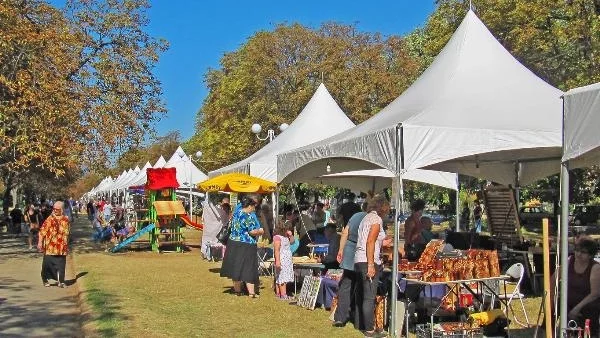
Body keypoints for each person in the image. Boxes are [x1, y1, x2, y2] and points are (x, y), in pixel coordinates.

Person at [353, 194, 390, 337]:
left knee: (361, 294)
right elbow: (370, 242)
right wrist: (370, 265)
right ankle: (369, 329)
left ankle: (360, 324)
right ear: (383, 208)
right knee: (369, 296)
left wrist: (382, 242)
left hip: (358, 259)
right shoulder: (376, 219)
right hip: (368, 259)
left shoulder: (366, 218)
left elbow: (370, 240)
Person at [551, 238, 600, 336]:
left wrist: (576, 308)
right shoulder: (569, 261)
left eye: (583, 252)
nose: (578, 254)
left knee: (586, 312)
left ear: (590, 255)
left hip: (587, 303)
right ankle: (549, 333)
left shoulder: (595, 268)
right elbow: (554, 278)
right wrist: (552, 298)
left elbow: (595, 294)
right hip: (569, 301)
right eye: (577, 250)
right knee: (553, 309)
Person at [220, 194, 264, 298]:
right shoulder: (248, 216)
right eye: (253, 207)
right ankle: (252, 293)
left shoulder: (236, 214)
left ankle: (237, 291)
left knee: (236, 267)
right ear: (249, 206)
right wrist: (261, 231)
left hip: (233, 243)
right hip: (246, 244)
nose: (254, 209)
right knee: (249, 268)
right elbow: (252, 231)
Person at [333, 202, 367, 327]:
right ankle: (358, 319)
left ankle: (340, 318)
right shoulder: (370, 218)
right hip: (362, 253)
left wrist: (341, 250)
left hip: (349, 251)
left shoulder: (354, 217)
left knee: (346, 285)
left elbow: (345, 233)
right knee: (361, 286)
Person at [38, 201, 70, 288]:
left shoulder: (66, 220)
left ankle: (61, 282)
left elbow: (67, 234)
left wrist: (68, 245)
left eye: (57, 209)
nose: (55, 210)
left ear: (62, 210)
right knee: (46, 265)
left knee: (61, 266)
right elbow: (42, 232)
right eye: (54, 209)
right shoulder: (49, 219)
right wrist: (40, 242)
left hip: (61, 247)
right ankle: (45, 279)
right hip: (50, 247)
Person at [273, 221, 294, 300]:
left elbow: (292, 242)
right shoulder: (277, 237)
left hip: (287, 260)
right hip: (282, 259)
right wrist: (278, 261)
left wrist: (291, 235)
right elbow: (277, 250)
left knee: (281, 276)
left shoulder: (286, 236)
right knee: (282, 277)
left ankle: (279, 293)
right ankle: (283, 294)